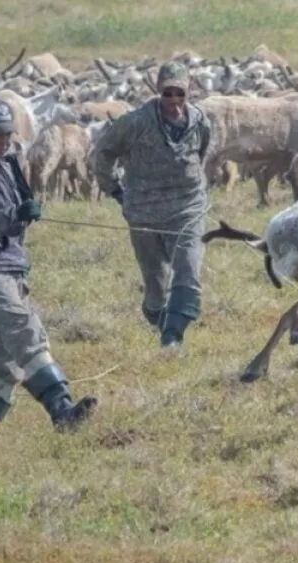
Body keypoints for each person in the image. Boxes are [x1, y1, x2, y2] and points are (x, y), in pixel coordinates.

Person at [0, 98, 97, 436]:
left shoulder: (10, 159)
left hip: (13, 261)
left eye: (9, 134)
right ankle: (61, 410)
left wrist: (28, 210)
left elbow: (16, 206)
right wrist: (14, 215)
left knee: (7, 357)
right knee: (25, 331)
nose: (5, 141)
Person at [92, 60, 213, 348]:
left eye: (180, 93)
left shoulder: (200, 122)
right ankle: (158, 318)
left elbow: (202, 153)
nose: (174, 100)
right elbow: (103, 152)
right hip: (144, 213)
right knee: (156, 285)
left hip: (187, 208)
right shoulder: (135, 123)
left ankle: (172, 338)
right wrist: (115, 190)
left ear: (189, 92)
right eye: (168, 93)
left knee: (187, 267)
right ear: (158, 91)